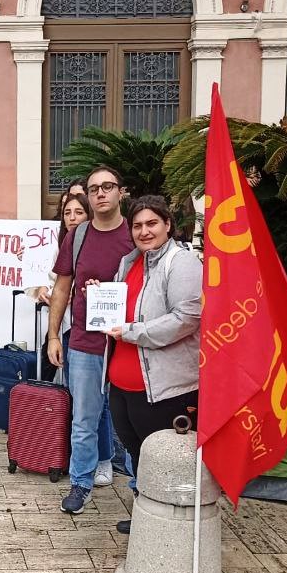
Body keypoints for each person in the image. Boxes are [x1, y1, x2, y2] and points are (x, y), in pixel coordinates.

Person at [102, 195, 202, 535]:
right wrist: (102, 295)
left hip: (163, 388)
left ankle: (172, 527)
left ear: (167, 225)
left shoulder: (182, 262)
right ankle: (148, 514)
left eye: (151, 223)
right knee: (137, 455)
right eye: (137, 225)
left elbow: (187, 318)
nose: (144, 231)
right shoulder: (130, 262)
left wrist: (132, 332)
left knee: (165, 459)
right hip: (123, 384)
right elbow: (123, 307)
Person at [46, 165, 135, 515]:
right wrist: (54, 335)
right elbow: (62, 287)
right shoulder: (78, 235)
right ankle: (80, 484)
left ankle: (140, 491)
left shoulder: (136, 235)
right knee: (83, 420)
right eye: (94, 188)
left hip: (128, 345)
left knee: (131, 424)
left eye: (107, 186)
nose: (100, 193)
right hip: (84, 344)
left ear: (120, 192)